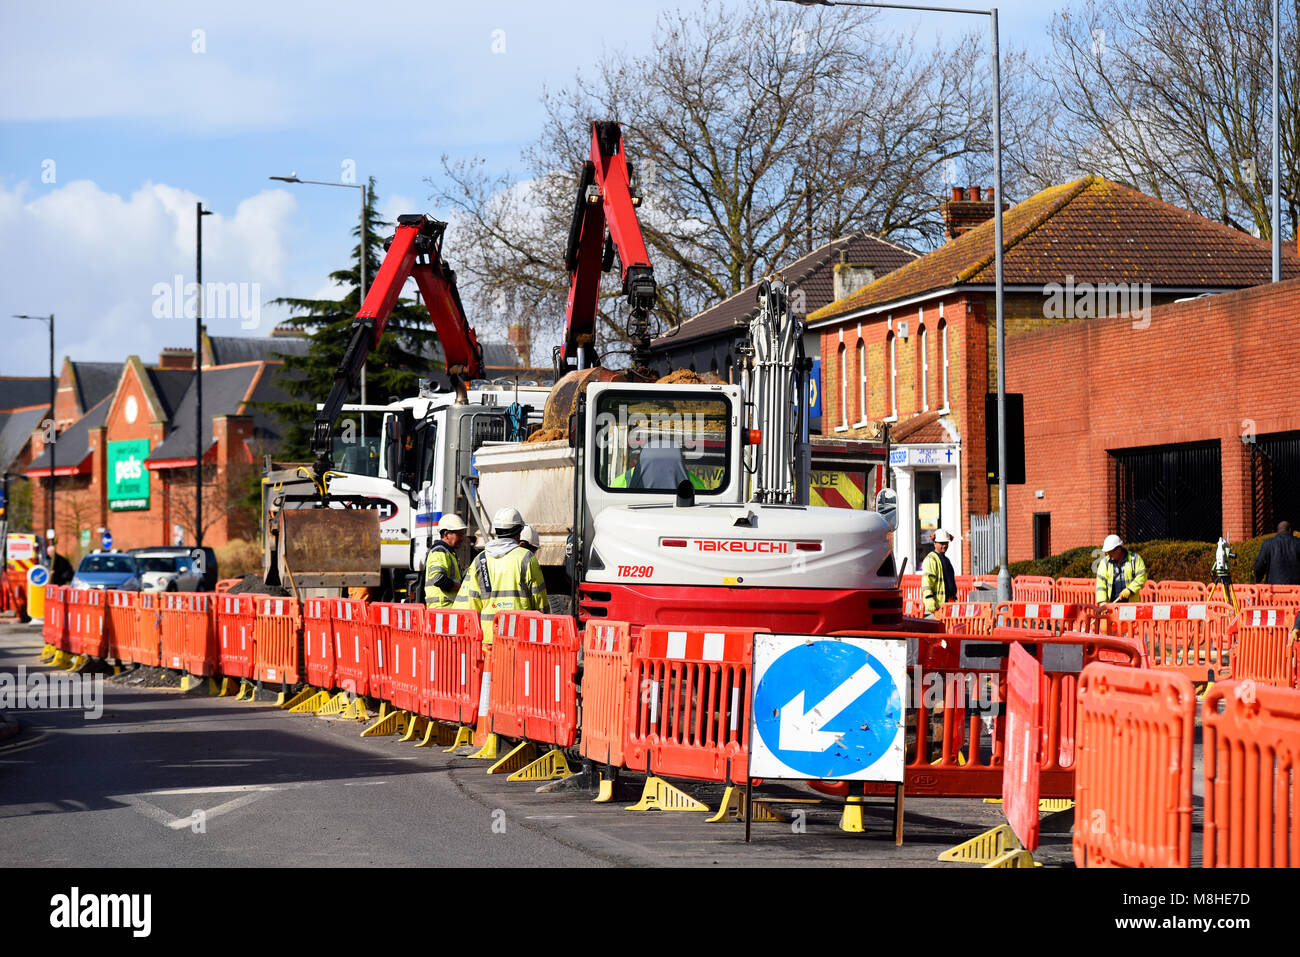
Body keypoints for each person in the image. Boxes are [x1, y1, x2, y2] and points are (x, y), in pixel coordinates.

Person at [453, 507, 548, 648]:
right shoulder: (526, 558)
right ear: (519, 532)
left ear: (496, 530)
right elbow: (540, 601)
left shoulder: (480, 559)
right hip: (519, 639)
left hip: (487, 641)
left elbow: (471, 603)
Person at [424, 513, 466, 609]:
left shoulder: (448, 552)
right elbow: (438, 579)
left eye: (462, 534)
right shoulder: (440, 551)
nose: (462, 538)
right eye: (459, 534)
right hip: (442, 609)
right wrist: (463, 589)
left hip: (446, 609)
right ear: (446, 534)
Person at [1095, 534, 1148, 603]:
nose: (1109, 555)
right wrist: (1103, 602)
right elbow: (1101, 584)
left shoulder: (1135, 559)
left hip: (1131, 604)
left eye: (1110, 553)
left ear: (1118, 550)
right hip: (1113, 605)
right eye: (1107, 553)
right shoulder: (1105, 563)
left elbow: (1142, 576)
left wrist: (1130, 590)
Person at [921, 529, 957, 618]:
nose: (944, 545)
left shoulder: (946, 560)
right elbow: (927, 582)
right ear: (935, 543)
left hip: (949, 603)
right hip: (938, 605)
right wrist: (929, 598)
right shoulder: (931, 559)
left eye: (946, 543)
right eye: (941, 543)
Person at [1253, 521, 1300, 585]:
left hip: (1273, 587)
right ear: (1290, 530)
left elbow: (1259, 565)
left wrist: (1258, 579)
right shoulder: (1298, 543)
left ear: (1278, 531)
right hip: (1296, 588)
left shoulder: (1268, 544)